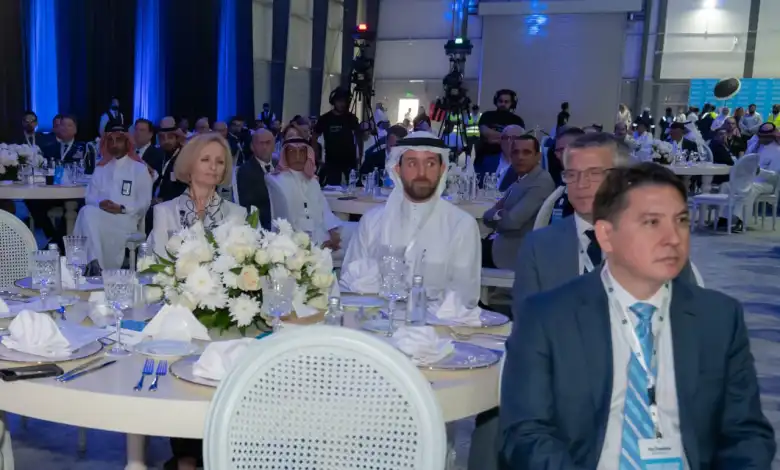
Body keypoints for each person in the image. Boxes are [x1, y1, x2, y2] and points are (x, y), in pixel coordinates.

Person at [501, 162, 775, 469]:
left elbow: (747, 434)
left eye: (681, 220)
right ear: (606, 235)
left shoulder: (718, 318)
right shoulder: (549, 318)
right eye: (651, 222)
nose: (673, 238)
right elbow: (526, 433)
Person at [342, 131, 482, 302]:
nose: (421, 173)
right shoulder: (372, 222)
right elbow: (349, 284)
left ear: (442, 169)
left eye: (430, 163)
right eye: (412, 163)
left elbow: (465, 297)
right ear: (397, 169)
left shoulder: (461, 225)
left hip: (435, 319)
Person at [149, 133, 246, 260]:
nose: (213, 167)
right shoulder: (164, 212)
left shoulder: (238, 214)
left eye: (220, 162)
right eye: (205, 159)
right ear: (189, 164)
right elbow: (156, 263)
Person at [73, 124, 152, 271]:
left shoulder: (139, 169)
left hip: (126, 220)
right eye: (110, 140)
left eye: (119, 140)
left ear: (127, 142)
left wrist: (122, 208)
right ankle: (96, 264)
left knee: (86, 215)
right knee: (87, 212)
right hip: (100, 216)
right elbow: (89, 197)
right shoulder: (101, 168)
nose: (114, 144)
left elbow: (144, 203)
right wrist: (100, 203)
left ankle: (90, 266)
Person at [482, 135, 554, 269]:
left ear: (538, 156)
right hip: (501, 242)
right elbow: (487, 216)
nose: (520, 157)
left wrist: (497, 214)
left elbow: (512, 222)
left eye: (526, 152)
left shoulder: (540, 182)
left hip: (512, 252)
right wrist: (500, 213)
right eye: (516, 152)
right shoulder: (522, 179)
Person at [266, 136, 343, 249]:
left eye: (302, 151)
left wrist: (332, 232)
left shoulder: (313, 181)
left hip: (320, 233)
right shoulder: (276, 181)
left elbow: (325, 209)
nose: (297, 156)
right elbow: (286, 218)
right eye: (292, 151)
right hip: (295, 239)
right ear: (285, 155)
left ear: (308, 154)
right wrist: (317, 243)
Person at [314, 87, 362, 186]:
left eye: (344, 101)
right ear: (334, 101)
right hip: (332, 159)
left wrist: (360, 156)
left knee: (354, 185)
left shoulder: (351, 118)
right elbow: (314, 137)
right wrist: (317, 157)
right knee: (332, 186)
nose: (342, 104)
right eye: (339, 101)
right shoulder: (325, 119)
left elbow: (358, 138)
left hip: (350, 158)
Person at [477, 89, 525, 175]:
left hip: (509, 158)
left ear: (512, 103)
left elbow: (518, 140)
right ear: (496, 101)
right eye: (500, 101)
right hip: (486, 155)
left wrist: (496, 138)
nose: (503, 104)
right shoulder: (487, 115)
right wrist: (507, 138)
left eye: (506, 102)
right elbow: (486, 133)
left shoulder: (517, 120)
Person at [236, 129, 275, 230]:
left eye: (268, 143)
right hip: (262, 225)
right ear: (252, 147)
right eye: (261, 143)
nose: (265, 147)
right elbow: (247, 206)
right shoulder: (245, 171)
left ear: (274, 146)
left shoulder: (281, 165)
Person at [155, 117, 189, 203]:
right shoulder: (157, 155)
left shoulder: (184, 158)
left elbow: (184, 189)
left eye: (170, 137)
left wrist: (164, 200)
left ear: (177, 138)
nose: (166, 141)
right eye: (162, 138)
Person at [496, 125, 525, 192]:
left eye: (514, 138)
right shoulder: (486, 161)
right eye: (505, 138)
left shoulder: (527, 167)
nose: (508, 141)